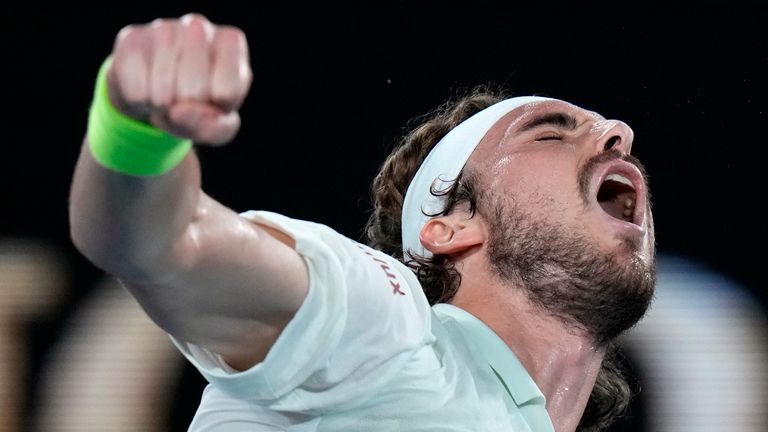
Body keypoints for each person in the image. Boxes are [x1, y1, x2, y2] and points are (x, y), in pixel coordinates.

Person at [68, 12, 656, 432]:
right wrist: (136, 132)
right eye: (550, 132)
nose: (618, 133)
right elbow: (164, 244)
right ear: (450, 225)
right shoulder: (383, 329)